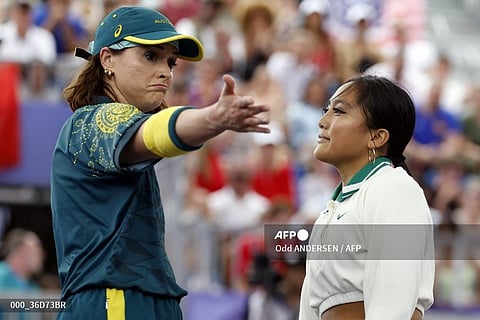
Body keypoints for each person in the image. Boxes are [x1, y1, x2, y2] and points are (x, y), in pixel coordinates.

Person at [50, 6, 269, 320]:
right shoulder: (90, 121)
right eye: (150, 56)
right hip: (114, 300)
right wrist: (213, 117)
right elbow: (152, 134)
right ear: (107, 59)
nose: (166, 71)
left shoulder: (113, 122)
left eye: (170, 61)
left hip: (141, 298)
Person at [298, 75, 434, 319]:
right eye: (325, 110)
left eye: (338, 111)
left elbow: (392, 306)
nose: (322, 121)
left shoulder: (394, 188)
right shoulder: (332, 210)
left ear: (377, 137)